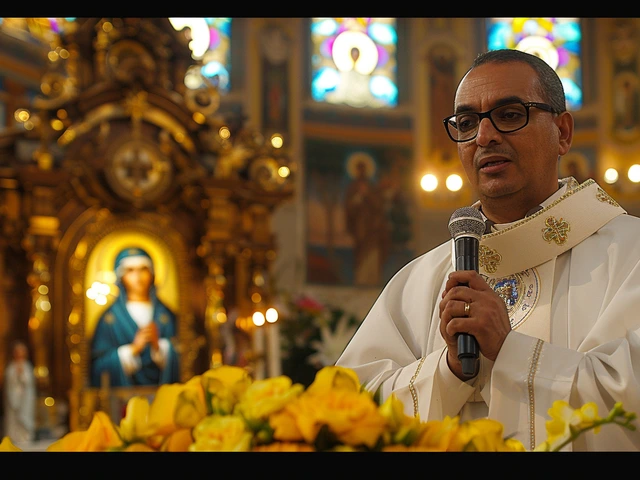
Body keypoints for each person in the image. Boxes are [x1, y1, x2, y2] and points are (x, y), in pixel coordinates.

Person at [336, 49, 640, 451]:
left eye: (510, 114)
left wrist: (509, 351)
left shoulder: (630, 252)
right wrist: (448, 372)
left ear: (563, 133)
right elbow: (346, 413)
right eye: (466, 122)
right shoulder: (419, 280)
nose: (484, 136)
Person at [90, 247, 180, 387]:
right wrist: (132, 350)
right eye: (130, 270)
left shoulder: (166, 315)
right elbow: (97, 366)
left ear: (152, 274)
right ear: (121, 276)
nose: (138, 277)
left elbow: (186, 357)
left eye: (143, 269)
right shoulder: (109, 319)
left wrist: (161, 348)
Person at [3, 340, 36, 444]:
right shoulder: (10, 368)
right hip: (13, 400)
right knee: (13, 422)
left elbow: (29, 382)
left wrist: (22, 375)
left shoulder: (27, 367)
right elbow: (9, 383)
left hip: (25, 400)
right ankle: (14, 440)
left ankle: (26, 438)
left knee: (25, 420)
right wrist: (16, 375)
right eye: (18, 352)